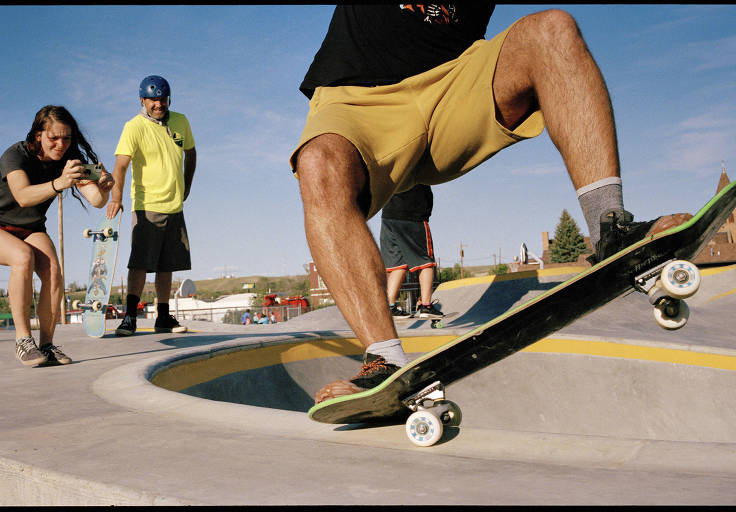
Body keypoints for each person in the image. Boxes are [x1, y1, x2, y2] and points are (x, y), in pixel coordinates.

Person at [289, 5, 690, 403]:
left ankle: (611, 230)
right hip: (358, 103)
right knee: (318, 163)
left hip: (455, 87)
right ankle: (384, 358)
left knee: (552, 30)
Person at [0, 105, 114, 366]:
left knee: (53, 272)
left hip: (31, 229)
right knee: (23, 257)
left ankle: (47, 345)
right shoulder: (15, 155)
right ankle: (23, 341)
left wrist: (105, 187)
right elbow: (23, 196)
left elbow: (96, 199)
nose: (60, 144)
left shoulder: (70, 161)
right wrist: (59, 183)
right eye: (54, 138)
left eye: (67, 138)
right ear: (38, 134)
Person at [107, 75, 197, 336]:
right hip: (147, 206)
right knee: (139, 263)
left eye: (163, 99)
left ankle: (163, 317)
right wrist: (116, 198)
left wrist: (187, 185)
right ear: (143, 100)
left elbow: (191, 153)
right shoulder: (134, 127)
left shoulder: (180, 121)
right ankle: (130, 317)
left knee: (167, 264)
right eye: (153, 100)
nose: (159, 104)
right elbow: (121, 165)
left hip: (174, 206)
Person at [380, 184, 443, 320]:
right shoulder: (419, 165)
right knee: (426, 262)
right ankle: (426, 306)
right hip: (412, 215)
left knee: (399, 265)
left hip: (388, 216)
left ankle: (389, 307)